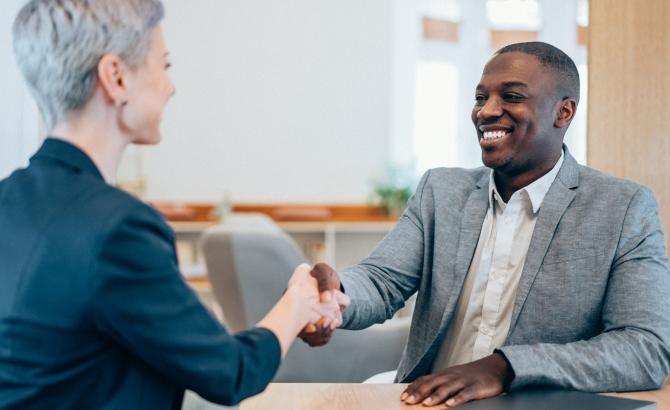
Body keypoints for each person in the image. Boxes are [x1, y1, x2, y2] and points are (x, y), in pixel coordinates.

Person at [0, 0, 348, 408]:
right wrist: (298, 301)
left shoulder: (9, 201)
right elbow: (232, 373)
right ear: (115, 78)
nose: (171, 86)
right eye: (164, 65)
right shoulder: (119, 229)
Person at [300, 42, 670, 407]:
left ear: (564, 112)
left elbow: (645, 348)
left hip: (534, 403)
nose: (486, 111)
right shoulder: (440, 191)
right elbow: (382, 282)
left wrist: (504, 368)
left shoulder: (622, 208)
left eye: (510, 96)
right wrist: (336, 293)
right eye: (480, 98)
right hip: (427, 401)